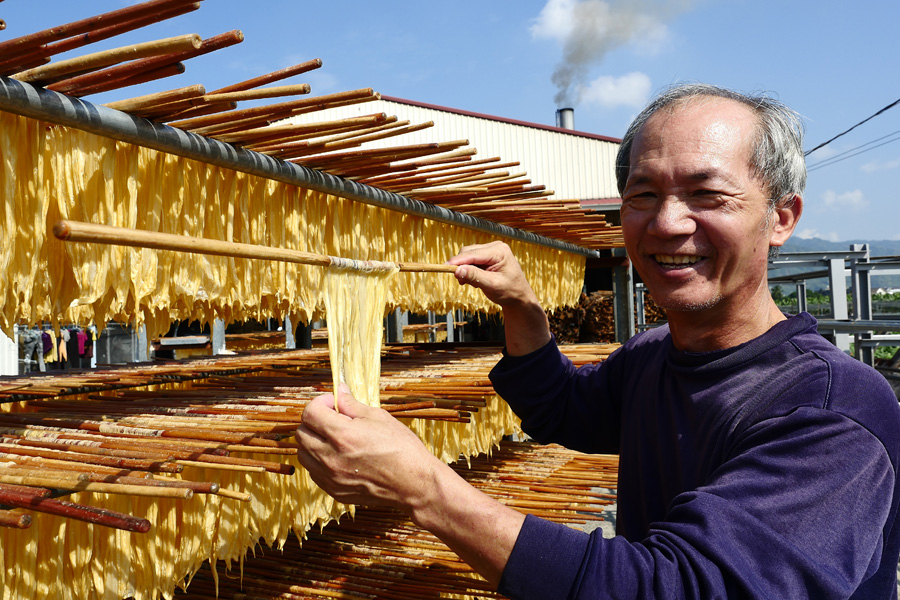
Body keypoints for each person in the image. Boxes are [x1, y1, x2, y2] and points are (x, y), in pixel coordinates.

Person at [295, 83, 900, 599]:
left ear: (781, 218)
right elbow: (565, 410)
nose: (667, 223)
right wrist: (523, 306)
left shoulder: (831, 412)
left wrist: (426, 489)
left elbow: (678, 587)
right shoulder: (655, 356)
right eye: (643, 196)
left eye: (707, 194)